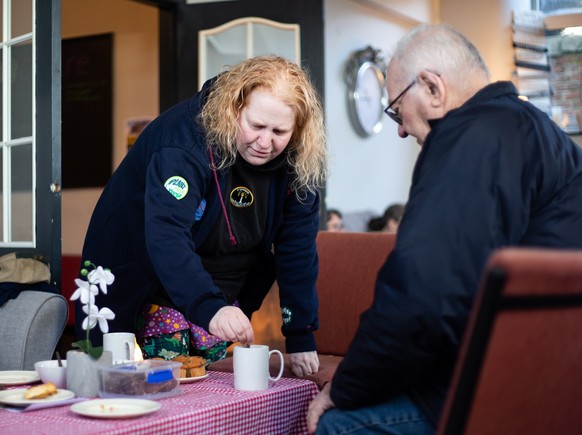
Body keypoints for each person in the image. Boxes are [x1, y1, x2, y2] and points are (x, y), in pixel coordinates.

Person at [307, 24, 582, 434]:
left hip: (501, 390)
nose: (400, 129)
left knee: (339, 423)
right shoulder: (542, 132)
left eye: (397, 110)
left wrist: (344, 388)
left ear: (433, 88)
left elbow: (423, 296)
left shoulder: (470, 138)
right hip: (553, 377)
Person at [76, 55, 327, 377]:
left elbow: (298, 252)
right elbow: (167, 232)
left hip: (222, 292)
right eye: (256, 126)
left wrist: (301, 333)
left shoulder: (299, 161)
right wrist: (209, 307)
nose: (265, 142)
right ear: (233, 109)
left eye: (279, 131)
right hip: (149, 284)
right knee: (153, 391)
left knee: (209, 391)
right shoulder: (185, 141)